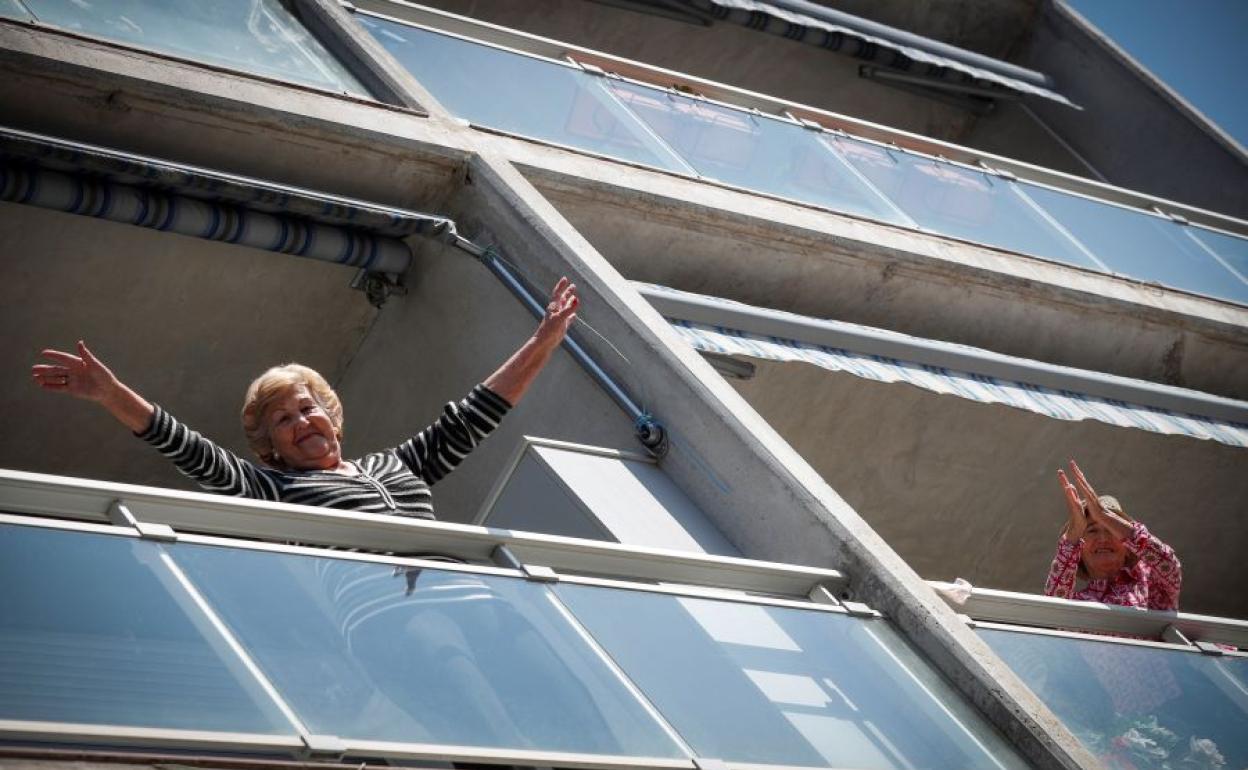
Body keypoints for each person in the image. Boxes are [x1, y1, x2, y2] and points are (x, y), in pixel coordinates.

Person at [31, 278, 580, 519]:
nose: (301, 420)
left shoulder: (397, 465)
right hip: (387, 610)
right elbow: (192, 452)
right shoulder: (272, 486)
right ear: (270, 446)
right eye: (283, 419)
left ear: (333, 421)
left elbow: (473, 416)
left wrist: (542, 343)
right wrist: (111, 394)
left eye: (307, 407)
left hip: (467, 589)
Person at [1045, 459, 1182, 610]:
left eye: (1110, 529)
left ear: (1128, 547)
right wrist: (1072, 535)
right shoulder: (1079, 604)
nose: (1103, 538)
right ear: (1079, 552)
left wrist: (1103, 514)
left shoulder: (1152, 586)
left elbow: (1169, 564)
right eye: (1092, 530)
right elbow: (1053, 609)